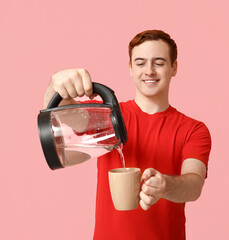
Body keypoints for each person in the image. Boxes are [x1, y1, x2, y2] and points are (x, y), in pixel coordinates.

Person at [43, 30, 212, 240]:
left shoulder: (193, 129)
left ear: (174, 67)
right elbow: (61, 116)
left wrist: (165, 185)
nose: (149, 71)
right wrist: (55, 85)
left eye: (158, 62)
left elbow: (194, 185)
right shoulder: (107, 118)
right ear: (130, 69)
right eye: (140, 63)